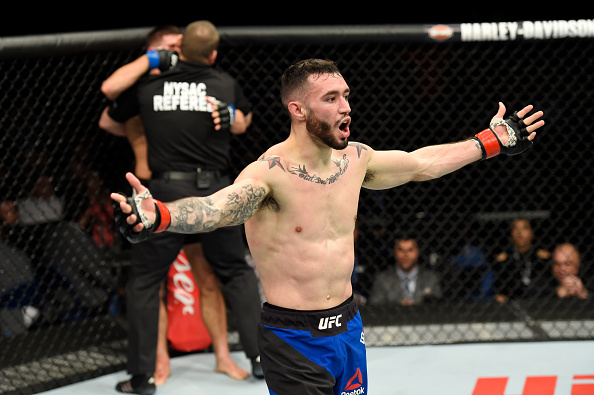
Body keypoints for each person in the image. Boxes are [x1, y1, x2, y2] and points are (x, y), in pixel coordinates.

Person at [111, 58, 545, 394]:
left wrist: (489, 142)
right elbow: (216, 208)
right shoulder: (269, 173)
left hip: (348, 328)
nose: (346, 107)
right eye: (332, 98)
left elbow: (420, 164)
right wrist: (160, 216)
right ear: (298, 109)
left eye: (346, 95)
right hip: (292, 340)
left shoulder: (356, 160)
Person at [102, 21, 264, 393]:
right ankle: (260, 360)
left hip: (166, 194)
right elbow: (245, 123)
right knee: (235, 272)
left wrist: (152, 62)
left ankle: (142, 378)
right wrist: (232, 115)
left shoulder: (150, 85)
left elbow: (109, 96)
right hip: (217, 193)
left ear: (179, 51)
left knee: (145, 281)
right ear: (212, 54)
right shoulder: (224, 83)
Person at [368, 234, 442, 306]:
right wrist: (398, 307)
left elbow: (439, 305)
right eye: (401, 250)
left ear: (417, 252)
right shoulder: (383, 279)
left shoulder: (430, 278)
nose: (405, 255)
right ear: (394, 252)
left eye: (410, 250)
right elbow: (375, 305)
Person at [492, 218, 551, 303]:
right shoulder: (504, 259)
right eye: (516, 228)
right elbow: (499, 287)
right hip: (512, 301)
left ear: (531, 233)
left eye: (524, 228)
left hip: (539, 300)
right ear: (511, 233)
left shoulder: (542, 257)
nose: (519, 232)